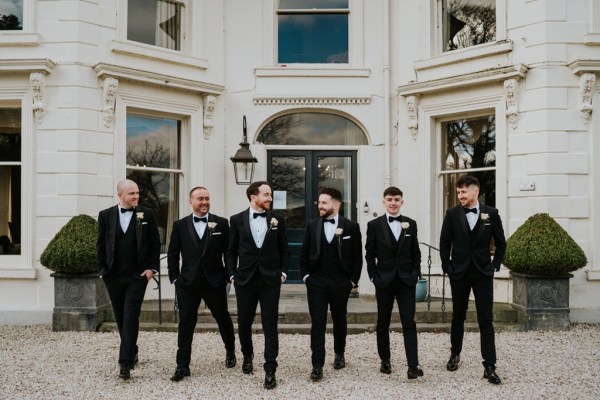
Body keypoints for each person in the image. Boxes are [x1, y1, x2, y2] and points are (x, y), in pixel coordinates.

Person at [439, 175, 506, 385]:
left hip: (482, 273)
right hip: (458, 273)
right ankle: (455, 354)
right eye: (458, 192)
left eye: (463, 192)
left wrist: (495, 266)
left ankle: (489, 365)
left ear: (475, 191)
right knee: (457, 316)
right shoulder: (451, 214)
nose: (460, 196)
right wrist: (447, 267)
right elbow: (444, 243)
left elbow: (502, 243)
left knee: (485, 319)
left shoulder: (491, 213)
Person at [167, 186, 236, 382]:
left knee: (222, 318)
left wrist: (227, 275)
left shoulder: (221, 224)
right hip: (187, 283)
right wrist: (175, 278)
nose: (205, 202)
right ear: (191, 202)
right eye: (200, 199)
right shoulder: (179, 225)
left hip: (214, 281)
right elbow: (172, 255)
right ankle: (182, 365)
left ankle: (230, 351)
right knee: (186, 323)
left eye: (207, 198)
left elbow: (229, 253)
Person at [227, 181, 290, 389]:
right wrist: (232, 275)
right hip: (244, 280)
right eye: (266, 195)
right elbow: (231, 251)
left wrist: (282, 272)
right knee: (244, 322)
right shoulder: (236, 220)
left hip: (270, 280)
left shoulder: (277, 220)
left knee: (270, 324)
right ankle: (247, 355)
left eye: (271, 195)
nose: (270, 199)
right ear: (253, 197)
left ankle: (270, 368)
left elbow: (284, 249)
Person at [96, 179, 161, 380]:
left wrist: (152, 269)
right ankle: (131, 350)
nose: (136, 197)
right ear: (120, 195)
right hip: (113, 276)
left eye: (137, 193)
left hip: (137, 276)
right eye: (131, 193)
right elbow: (100, 245)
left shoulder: (147, 214)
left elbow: (154, 244)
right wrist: (102, 270)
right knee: (120, 316)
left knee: (131, 316)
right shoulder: (106, 215)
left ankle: (124, 363)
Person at [300, 187, 362, 382]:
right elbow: (303, 253)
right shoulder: (312, 225)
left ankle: (339, 353)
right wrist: (306, 277)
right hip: (316, 282)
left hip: (340, 282)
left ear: (336, 205)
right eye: (319, 202)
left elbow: (357, 257)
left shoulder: (351, 227)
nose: (320, 206)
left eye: (324, 202)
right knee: (317, 322)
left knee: (339, 319)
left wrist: (352, 280)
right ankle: (317, 365)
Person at [365, 186, 423, 379]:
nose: (393, 203)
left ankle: (413, 366)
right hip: (384, 281)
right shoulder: (374, 225)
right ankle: (385, 360)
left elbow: (416, 252)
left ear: (402, 202)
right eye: (389, 199)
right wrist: (373, 276)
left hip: (406, 281)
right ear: (384, 201)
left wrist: (415, 274)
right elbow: (369, 254)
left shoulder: (411, 224)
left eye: (396, 199)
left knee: (409, 323)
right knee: (383, 322)